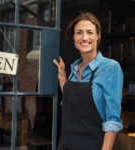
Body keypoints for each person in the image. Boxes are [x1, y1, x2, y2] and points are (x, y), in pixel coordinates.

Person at [53, 12, 123, 150]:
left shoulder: (110, 68)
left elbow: (112, 121)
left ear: (98, 35)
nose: (84, 37)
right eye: (79, 32)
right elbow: (73, 103)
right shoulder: (74, 68)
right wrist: (62, 78)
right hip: (66, 145)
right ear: (74, 37)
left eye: (90, 32)